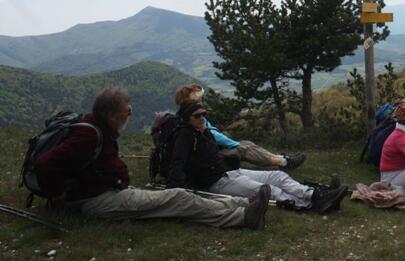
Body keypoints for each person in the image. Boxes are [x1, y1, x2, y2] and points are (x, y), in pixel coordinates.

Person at [33, 87, 270, 229]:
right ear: (112, 115)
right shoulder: (88, 134)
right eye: (127, 111)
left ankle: (242, 204)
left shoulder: (98, 129)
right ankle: (242, 217)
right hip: (96, 201)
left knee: (177, 197)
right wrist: (59, 196)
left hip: (108, 192)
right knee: (178, 199)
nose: (130, 114)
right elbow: (44, 165)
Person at [167, 101, 347, 214]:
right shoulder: (185, 136)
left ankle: (315, 194)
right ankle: (312, 204)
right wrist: (174, 189)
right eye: (197, 116)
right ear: (187, 118)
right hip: (216, 182)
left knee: (278, 176)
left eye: (204, 114)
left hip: (230, 172)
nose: (202, 118)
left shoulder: (203, 132)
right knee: (269, 190)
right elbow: (178, 162)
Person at [174, 84, 305, 170]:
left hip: (208, 154)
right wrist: (235, 144)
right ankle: (284, 162)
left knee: (247, 144)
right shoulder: (194, 118)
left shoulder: (189, 115)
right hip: (208, 159)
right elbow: (215, 136)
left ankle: (282, 159)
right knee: (243, 148)